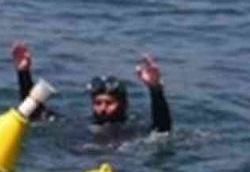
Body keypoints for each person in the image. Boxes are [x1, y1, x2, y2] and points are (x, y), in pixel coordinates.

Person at [11, 42, 171, 136]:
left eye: (109, 103)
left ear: (124, 104)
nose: (102, 108)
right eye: (98, 102)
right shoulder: (82, 125)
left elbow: (162, 129)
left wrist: (155, 89)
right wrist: (23, 73)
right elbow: (34, 113)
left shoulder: (131, 129)